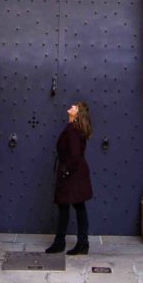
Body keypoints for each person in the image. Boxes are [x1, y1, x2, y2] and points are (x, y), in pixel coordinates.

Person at [45, 101, 93, 255]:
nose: (72, 107)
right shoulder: (75, 129)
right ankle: (79, 243)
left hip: (73, 175)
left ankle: (65, 242)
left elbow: (75, 155)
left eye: (75, 107)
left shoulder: (73, 130)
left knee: (68, 207)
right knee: (75, 207)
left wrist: (66, 171)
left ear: (77, 114)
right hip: (76, 173)